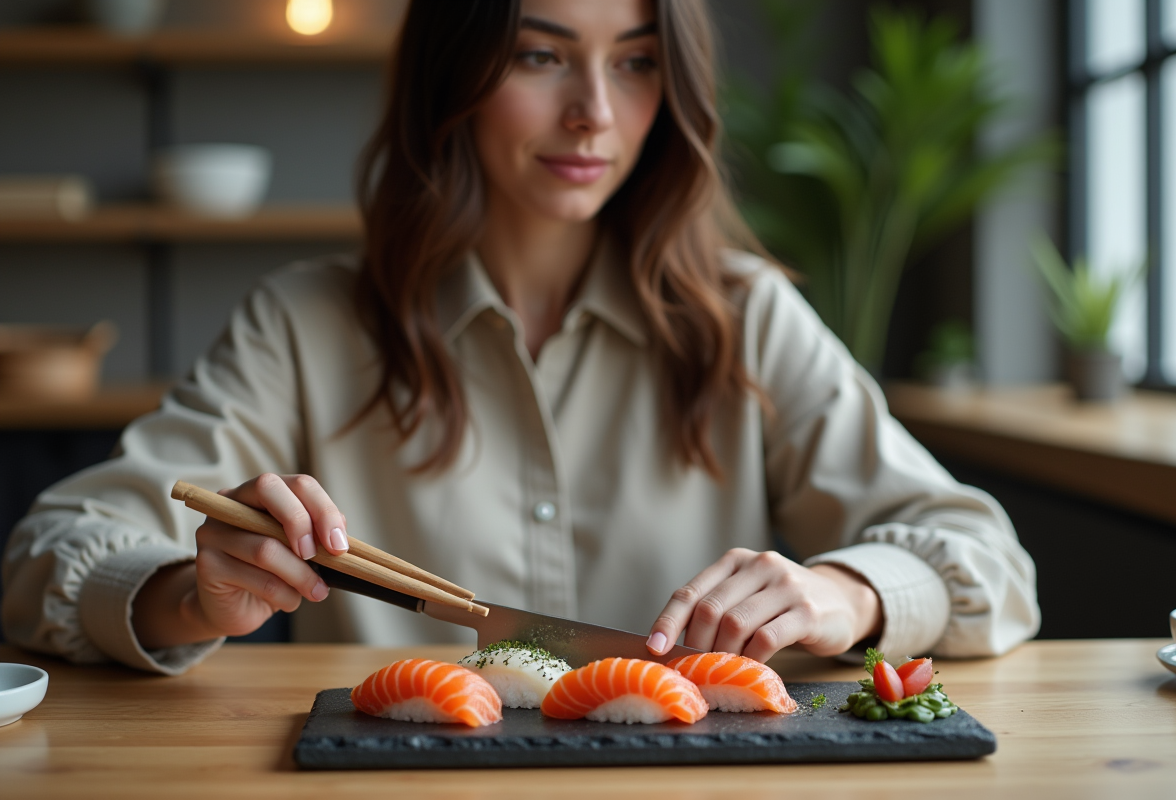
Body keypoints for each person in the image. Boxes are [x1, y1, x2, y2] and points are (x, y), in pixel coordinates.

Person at [1, 0, 1038, 676]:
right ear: (451, 78)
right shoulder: (305, 321)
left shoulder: (746, 312)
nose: (594, 113)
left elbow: (991, 560)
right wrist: (192, 593)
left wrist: (841, 590)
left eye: (636, 64)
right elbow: (46, 555)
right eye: (541, 55)